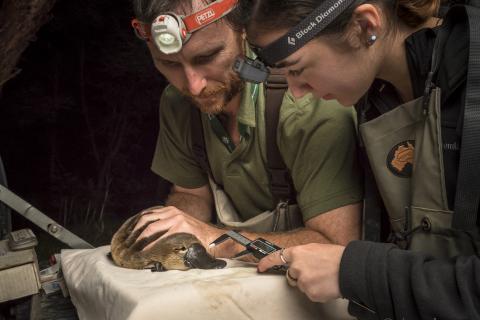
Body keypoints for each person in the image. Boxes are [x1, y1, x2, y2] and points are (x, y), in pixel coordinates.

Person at [243, 0, 480, 318]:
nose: (296, 92)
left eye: (297, 69)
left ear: (365, 26)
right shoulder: (374, 96)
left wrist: (354, 271)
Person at [127, 0, 363, 260]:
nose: (194, 86)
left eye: (207, 57)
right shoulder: (177, 103)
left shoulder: (308, 101)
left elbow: (336, 247)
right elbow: (190, 194)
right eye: (170, 64)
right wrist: (168, 228)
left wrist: (217, 240)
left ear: (243, 30)